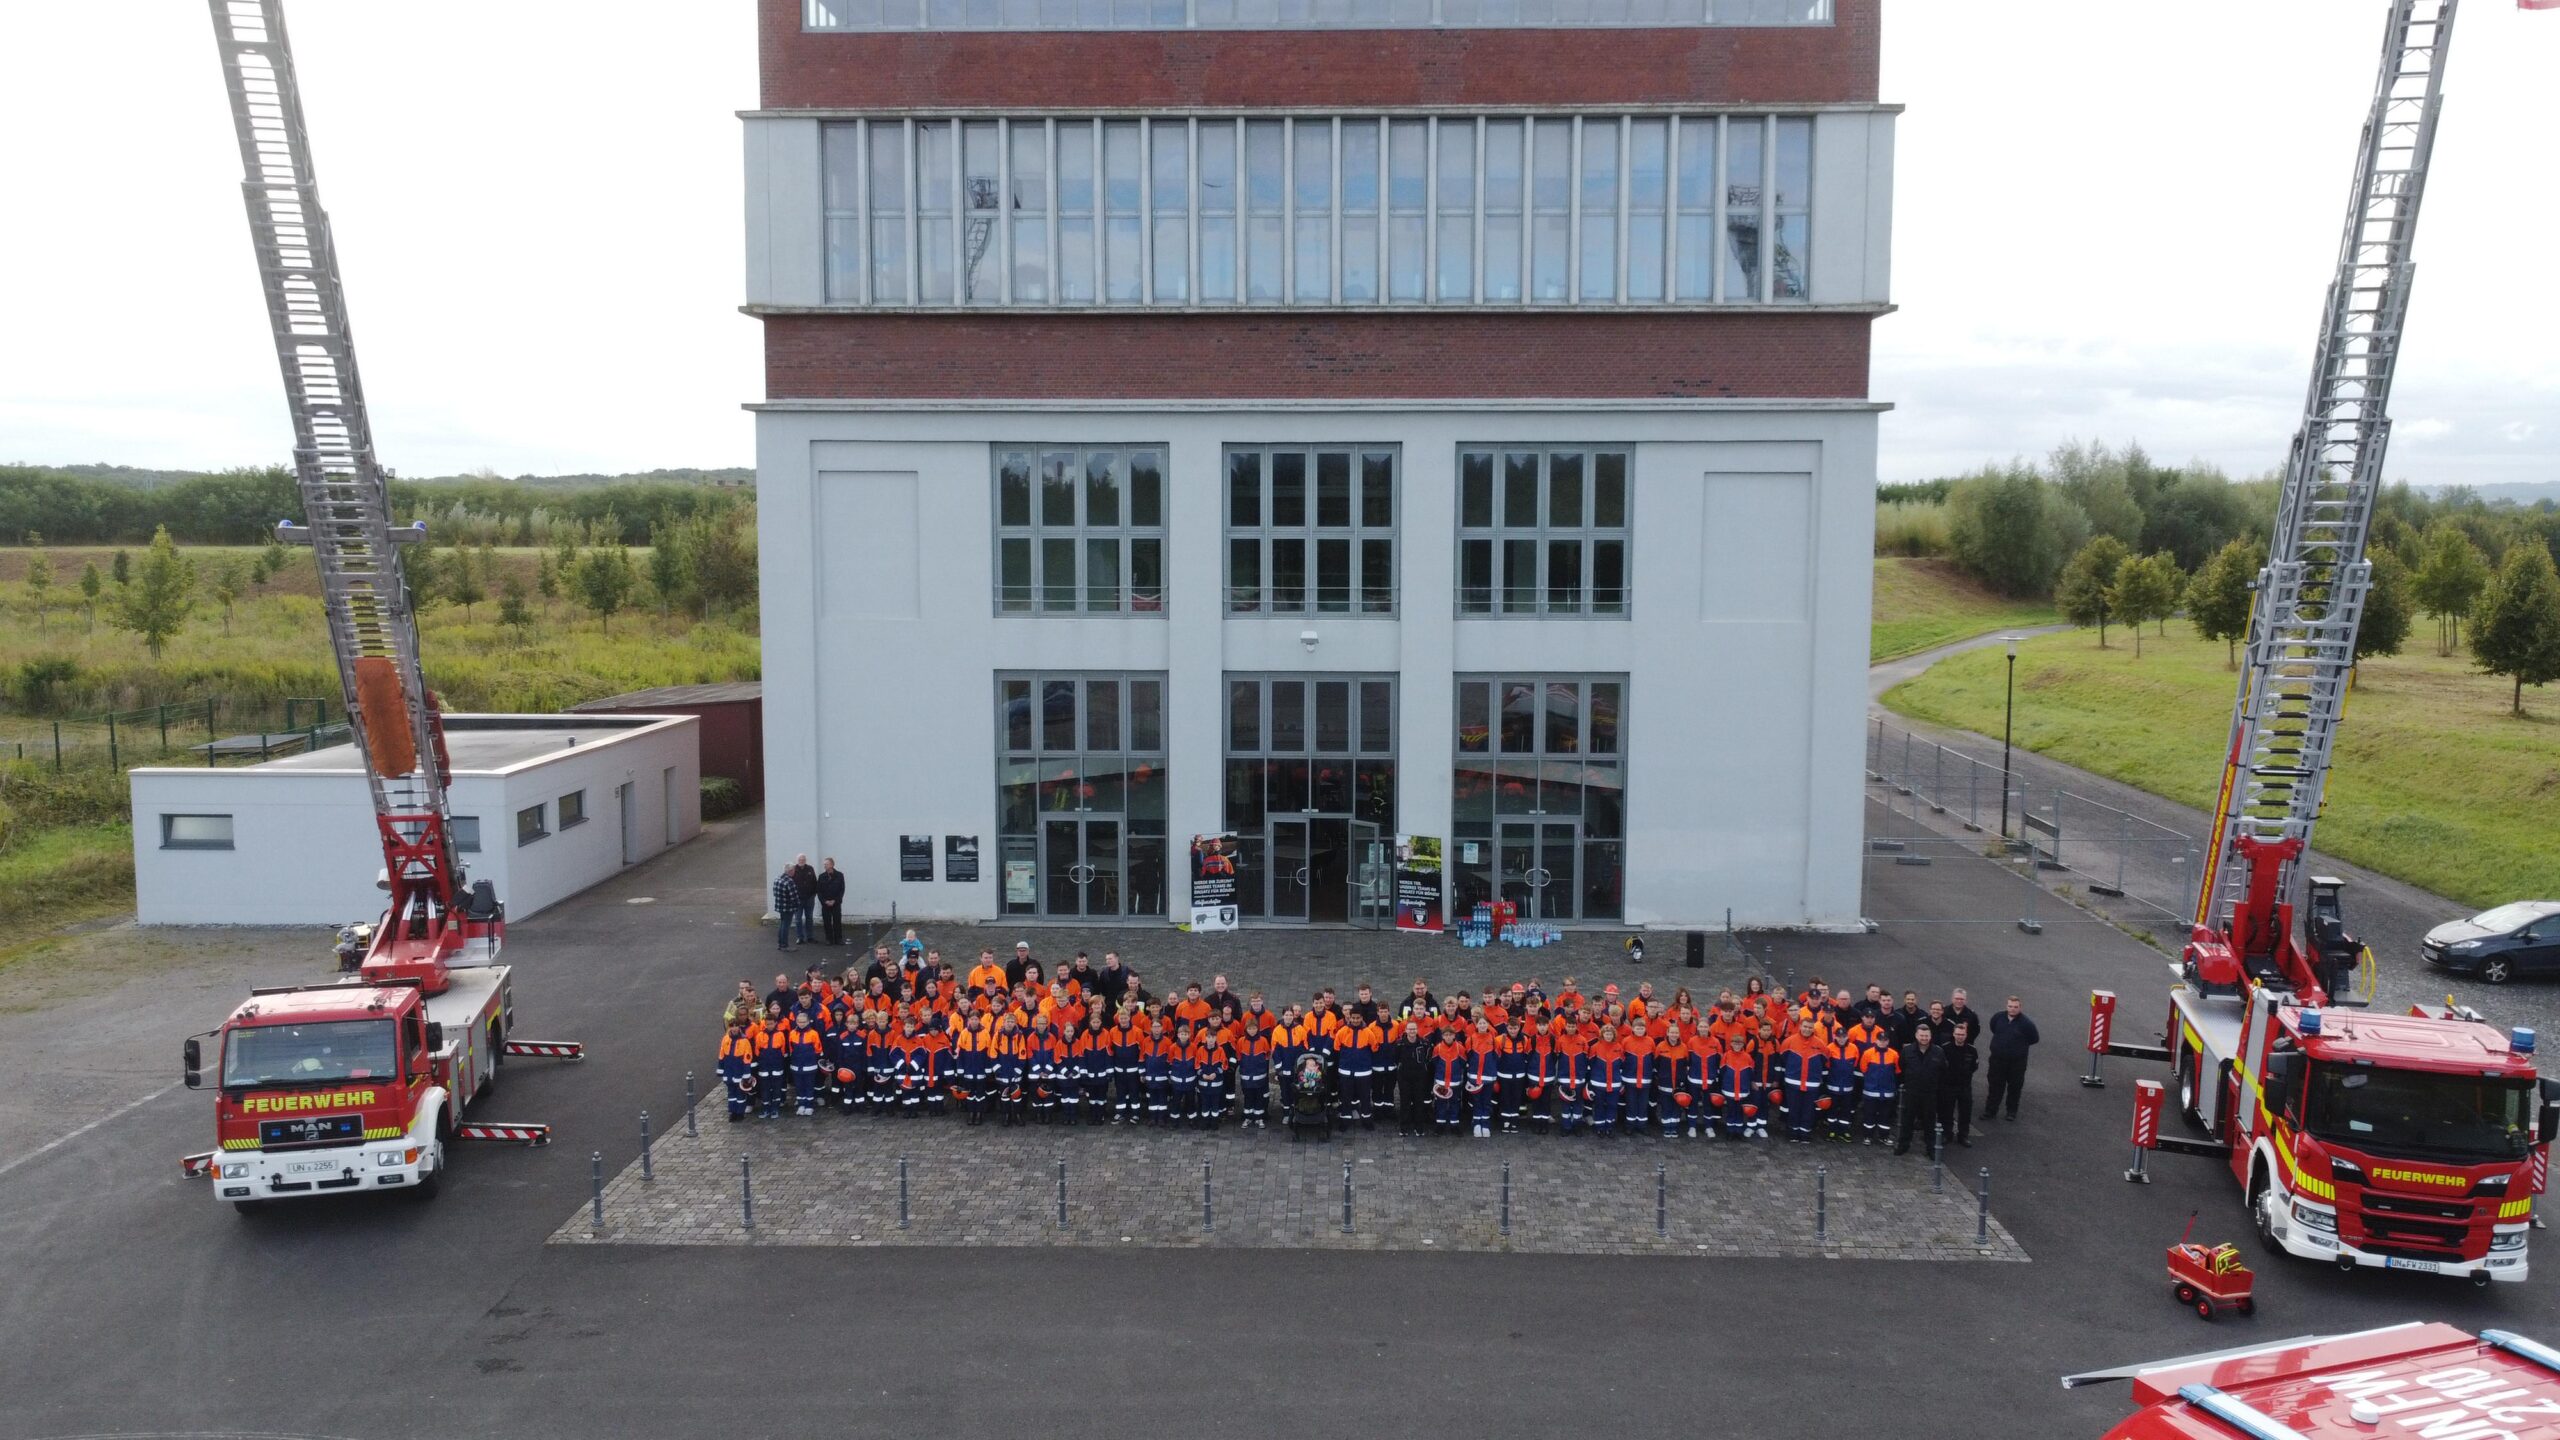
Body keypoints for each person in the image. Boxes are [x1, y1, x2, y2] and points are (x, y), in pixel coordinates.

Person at [1893, 1022, 1948, 1159]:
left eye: (1927, 1036)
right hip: (1912, 1092)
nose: (1924, 1038)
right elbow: (1902, 1067)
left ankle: (1931, 1149)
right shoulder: (1907, 1051)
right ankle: (1903, 1145)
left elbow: (1943, 1071)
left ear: (1930, 1036)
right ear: (1916, 1036)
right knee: (1907, 1120)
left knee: (1929, 1122)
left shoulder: (1938, 1051)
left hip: (1930, 1093)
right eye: (1922, 1035)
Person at [1983, 995, 2041, 1121]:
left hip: (2017, 1063)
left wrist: (2018, 1048)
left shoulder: (2027, 1023)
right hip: (1997, 1060)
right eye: (2010, 1006)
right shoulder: (1998, 1017)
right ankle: (1990, 1111)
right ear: (2006, 1006)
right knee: (1995, 1086)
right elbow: (1993, 1028)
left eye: (2015, 1007)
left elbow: (2034, 1038)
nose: (2012, 1009)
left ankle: (2011, 1112)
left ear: (2020, 1007)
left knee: (2015, 1087)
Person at [1941, 1020, 1980, 1146]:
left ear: (1966, 1035)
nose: (1960, 1036)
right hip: (1949, 1085)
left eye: (1962, 1034)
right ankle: (1947, 1134)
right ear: (1953, 1034)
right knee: (1947, 1112)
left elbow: (1974, 1066)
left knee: (1965, 1112)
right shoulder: (1945, 1048)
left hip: (1964, 1086)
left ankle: (1963, 1136)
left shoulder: (1972, 1050)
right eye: (1957, 1034)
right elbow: (1941, 1066)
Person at [718, 1021, 756, 1122]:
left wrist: (746, 1073)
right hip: (729, 1071)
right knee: (731, 1094)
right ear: (729, 1028)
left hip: (739, 1071)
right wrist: (720, 1069)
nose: (734, 1029)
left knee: (740, 1094)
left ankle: (740, 1113)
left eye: (736, 1026)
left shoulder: (744, 1041)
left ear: (739, 1028)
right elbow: (721, 1055)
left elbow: (747, 1058)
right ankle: (732, 1112)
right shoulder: (726, 1039)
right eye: (732, 1027)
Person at [814, 859, 846, 945]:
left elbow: (842, 890)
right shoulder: (821, 876)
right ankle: (829, 939)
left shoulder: (839, 875)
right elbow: (819, 891)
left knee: (837, 921)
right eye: (824, 864)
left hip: (836, 903)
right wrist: (824, 901)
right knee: (827, 922)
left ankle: (838, 938)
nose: (824, 866)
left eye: (826, 864)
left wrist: (835, 900)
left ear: (832, 865)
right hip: (826, 903)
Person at [790, 855, 820, 945]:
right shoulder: (793, 869)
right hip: (798, 900)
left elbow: (815, 882)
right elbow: (790, 883)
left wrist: (814, 894)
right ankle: (800, 938)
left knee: (809, 918)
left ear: (805, 860)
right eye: (800, 859)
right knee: (798, 919)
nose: (801, 861)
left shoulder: (810, 868)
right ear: (797, 860)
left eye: (803, 859)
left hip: (809, 898)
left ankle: (810, 937)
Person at [770, 866, 801, 951]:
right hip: (788, 908)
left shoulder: (777, 878)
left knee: (782, 924)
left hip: (780, 907)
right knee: (786, 926)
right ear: (790, 871)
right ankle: (784, 945)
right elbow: (794, 896)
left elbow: (774, 893)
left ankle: (780, 943)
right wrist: (798, 905)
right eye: (794, 870)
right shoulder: (790, 881)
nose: (794, 872)